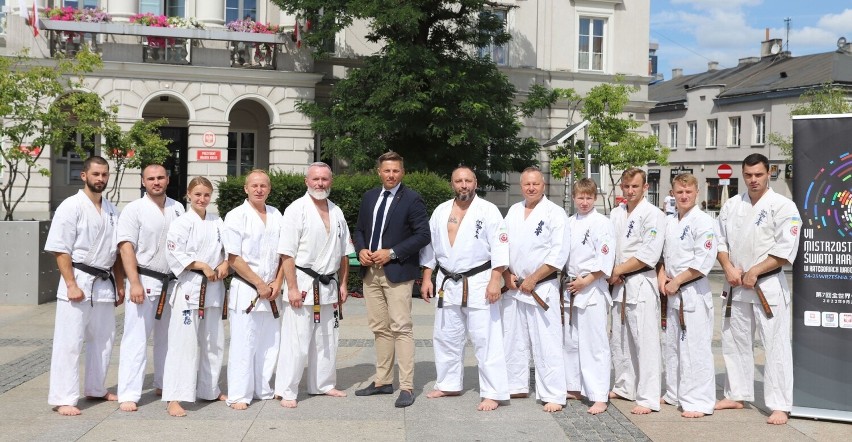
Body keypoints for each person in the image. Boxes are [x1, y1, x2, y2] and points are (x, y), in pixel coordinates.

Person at [715, 154, 801, 425]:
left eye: (758, 175)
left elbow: (785, 250)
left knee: (775, 345)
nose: (753, 180)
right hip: (736, 284)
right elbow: (719, 240)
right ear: (743, 175)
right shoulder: (731, 205)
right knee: (735, 340)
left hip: (767, 286)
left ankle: (779, 404)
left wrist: (755, 271)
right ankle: (737, 393)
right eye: (748, 175)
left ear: (769, 174)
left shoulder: (783, 206)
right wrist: (727, 266)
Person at [420, 166, 510, 411]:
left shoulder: (488, 211)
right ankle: (448, 383)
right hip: (447, 283)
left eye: (467, 180)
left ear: (475, 183)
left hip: (479, 281)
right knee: (446, 336)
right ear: (452, 184)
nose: (463, 185)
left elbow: (500, 247)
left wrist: (496, 279)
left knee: (486, 339)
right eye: (458, 181)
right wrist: (427, 276)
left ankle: (493, 392)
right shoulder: (440, 211)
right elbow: (430, 248)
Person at [45, 155, 123, 416]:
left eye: (104, 174)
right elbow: (60, 249)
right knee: (70, 341)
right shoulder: (71, 206)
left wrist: (119, 284)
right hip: (78, 280)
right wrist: (70, 284)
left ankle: (96, 388)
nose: (100, 179)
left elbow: (117, 252)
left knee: (103, 340)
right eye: (96, 174)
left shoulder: (112, 209)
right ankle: (63, 397)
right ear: (84, 176)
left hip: (103, 283)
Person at [352, 151, 430, 408]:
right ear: (379, 172)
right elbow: (360, 229)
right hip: (371, 272)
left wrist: (392, 253)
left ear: (402, 173)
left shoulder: (412, 199)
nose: (391, 175)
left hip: (397, 272)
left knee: (401, 328)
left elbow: (423, 235)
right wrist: (361, 249)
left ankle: (406, 386)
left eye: (396, 171)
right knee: (379, 328)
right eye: (387, 170)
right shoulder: (370, 197)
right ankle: (383, 380)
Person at [275, 162, 354, 407]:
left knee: (327, 338)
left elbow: (344, 254)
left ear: (331, 181)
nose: (320, 183)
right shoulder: (295, 210)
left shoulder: (337, 211)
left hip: (329, 285)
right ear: (306, 181)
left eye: (325, 179)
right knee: (296, 340)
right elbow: (287, 254)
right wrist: (292, 287)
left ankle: (324, 384)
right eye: (315, 179)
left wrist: (343, 284)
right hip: (303, 283)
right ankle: (287, 390)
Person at [116, 164, 185, 412]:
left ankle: (164, 384)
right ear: (143, 181)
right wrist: (133, 282)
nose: (156, 182)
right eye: (151, 178)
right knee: (136, 338)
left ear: (168, 179)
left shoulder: (178, 208)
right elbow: (126, 248)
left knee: (168, 338)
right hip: (143, 280)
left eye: (160, 178)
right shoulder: (133, 210)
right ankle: (128, 393)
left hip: (171, 282)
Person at [501, 167, 569, 412]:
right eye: (527, 184)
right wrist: (507, 274)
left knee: (546, 342)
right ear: (521, 186)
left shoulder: (555, 213)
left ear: (544, 186)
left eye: (536, 184)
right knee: (513, 339)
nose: (531, 188)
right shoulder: (513, 211)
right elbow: (502, 246)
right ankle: (515, 385)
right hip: (515, 287)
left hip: (541, 287)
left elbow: (558, 253)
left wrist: (534, 278)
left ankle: (553, 394)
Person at [162, 176, 229, 417]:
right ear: (189, 195)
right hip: (190, 289)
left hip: (213, 290)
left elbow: (228, 251)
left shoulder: (217, 221)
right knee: (183, 344)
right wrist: (202, 264)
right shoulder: (181, 223)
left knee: (214, 341)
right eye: (198, 194)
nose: (202, 199)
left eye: (206, 195)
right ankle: (174, 397)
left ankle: (210, 389)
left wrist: (224, 264)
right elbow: (174, 253)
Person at [223, 170, 284, 410]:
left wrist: (278, 282)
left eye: (264, 186)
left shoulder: (277, 214)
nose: (259, 189)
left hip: (272, 291)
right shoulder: (236, 216)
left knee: (270, 342)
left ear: (269, 189)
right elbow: (233, 257)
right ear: (245, 189)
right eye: (254, 185)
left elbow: (285, 253)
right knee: (243, 343)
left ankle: (263, 388)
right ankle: (239, 394)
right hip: (247, 287)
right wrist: (259, 283)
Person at [658, 173, 717, 418]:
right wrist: (662, 278)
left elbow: (703, 261)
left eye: (688, 192)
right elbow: (661, 257)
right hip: (671, 292)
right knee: (671, 346)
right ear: (672, 193)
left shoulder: (704, 222)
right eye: (679, 192)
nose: (683, 196)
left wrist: (678, 281)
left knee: (695, 348)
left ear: (696, 193)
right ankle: (675, 392)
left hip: (692, 291)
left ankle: (699, 401)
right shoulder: (670, 221)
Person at [607, 168, 666, 415]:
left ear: (645, 188)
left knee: (646, 341)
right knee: (620, 339)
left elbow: (649, 254)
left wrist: (618, 269)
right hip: (619, 285)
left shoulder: (654, 215)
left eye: (635, 187)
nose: (630, 191)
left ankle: (649, 396)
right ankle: (624, 385)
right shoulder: (615, 213)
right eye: (626, 186)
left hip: (640, 282)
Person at [563, 178, 615, 415]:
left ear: (595, 198)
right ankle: (574, 386)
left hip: (592, 286)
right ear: (574, 198)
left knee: (595, 344)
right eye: (580, 197)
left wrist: (586, 280)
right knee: (571, 341)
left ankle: (599, 394)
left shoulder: (602, 223)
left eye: (588, 198)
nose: (584, 202)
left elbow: (605, 258)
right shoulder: (568, 222)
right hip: (571, 287)